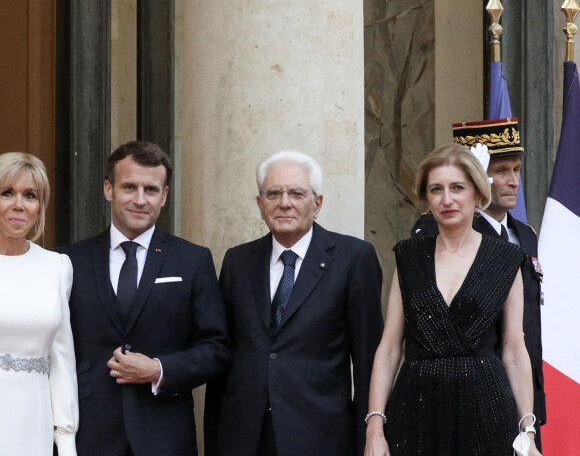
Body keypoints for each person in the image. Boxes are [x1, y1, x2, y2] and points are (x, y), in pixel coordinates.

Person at [204, 150, 384, 456]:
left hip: (321, 435)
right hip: (245, 436)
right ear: (260, 204)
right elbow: (224, 355)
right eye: (273, 193)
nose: (284, 202)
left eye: (297, 193)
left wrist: (369, 435)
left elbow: (368, 359)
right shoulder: (237, 261)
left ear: (317, 203)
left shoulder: (353, 258)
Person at [365, 144, 540, 456]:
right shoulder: (408, 258)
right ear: (427, 198)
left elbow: (514, 349)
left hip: (487, 409)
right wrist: (375, 428)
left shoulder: (507, 258)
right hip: (415, 408)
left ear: (477, 192)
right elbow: (390, 348)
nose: (447, 199)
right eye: (436, 189)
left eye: (457, 187)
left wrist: (527, 429)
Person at [59, 141, 230, 456]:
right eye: (129, 187)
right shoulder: (68, 262)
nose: (140, 200)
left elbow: (216, 349)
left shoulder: (192, 260)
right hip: (87, 434)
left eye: (151, 190)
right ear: (109, 189)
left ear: (164, 196)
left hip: (164, 436)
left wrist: (159, 369)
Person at [412, 118, 545, 448]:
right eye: (501, 171)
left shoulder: (524, 236)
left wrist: (532, 406)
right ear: (477, 178)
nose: (513, 181)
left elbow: (526, 325)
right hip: (468, 393)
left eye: (516, 169)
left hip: (519, 389)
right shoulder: (436, 231)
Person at [0, 152, 78, 455]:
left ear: (40, 206)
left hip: (35, 418)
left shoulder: (57, 267)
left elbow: (62, 357)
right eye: (7, 193)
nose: (19, 204)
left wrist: (66, 437)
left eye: (29, 195)